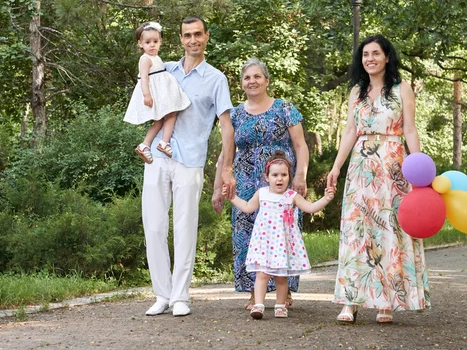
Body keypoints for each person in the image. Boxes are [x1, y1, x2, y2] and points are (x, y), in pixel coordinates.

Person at [326, 34, 429, 324]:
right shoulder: (356, 92)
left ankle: (387, 300)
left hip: (393, 165)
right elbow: (349, 131)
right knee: (357, 230)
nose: (369, 59)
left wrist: (417, 168)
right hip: (361, 166)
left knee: (389, 230)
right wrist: (336, 168)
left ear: (386, 57)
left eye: (375, 53)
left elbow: (410, 130)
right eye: (365, 55)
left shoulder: (401, 89)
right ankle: (350, 300)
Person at [142, 16, 236, 317]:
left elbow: (226, 127)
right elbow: (144, 72)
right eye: (187, 35)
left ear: (206, 37)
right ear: (180, 39)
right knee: (154, 226)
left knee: (184, 228)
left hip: (191, 160)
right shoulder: (165, 68)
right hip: (158, 156)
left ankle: (181, 295)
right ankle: (162, 294)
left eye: (198, 34)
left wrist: (226, 168)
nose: (192, 40)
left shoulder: (216, 79)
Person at [211, 58, 309, 310]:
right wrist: (217, 188)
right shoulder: (233, 114)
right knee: (249, 238)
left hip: (281, 183)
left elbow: (300, 145)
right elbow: (224, 154)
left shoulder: (285, 109)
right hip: (244, 185)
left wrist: (300, 176)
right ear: (241, 83)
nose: (252, 81)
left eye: (257, 76)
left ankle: (283, 294)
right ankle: (254, 294)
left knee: (283, 236)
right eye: (247, 77)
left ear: (267, 80)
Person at [223, 150, 335, 319]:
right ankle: (258, 305)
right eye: (275, 175)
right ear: (267, 177)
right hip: (264, 242)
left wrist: (326, 198)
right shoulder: (262, 193)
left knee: (281, 277)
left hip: (282, 244)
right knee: (262, 274)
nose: (279, 179)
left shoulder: (292, 196)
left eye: (284, 175)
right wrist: (231, 198)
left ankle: (281, 305)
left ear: (289, 177)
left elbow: (310, 208)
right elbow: (247, 207)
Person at [123, 21, 191, 162]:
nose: (152, 45)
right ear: (140, 44)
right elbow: (144, 78)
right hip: (155, 95)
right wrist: (147, 95)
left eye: (155, 41)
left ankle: (144, 145)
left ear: (160, 42)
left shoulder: (156, 58)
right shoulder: (145, 59)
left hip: (161, 94)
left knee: (160, 121)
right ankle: (163, 143)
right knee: (170, 116)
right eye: (148, 42)